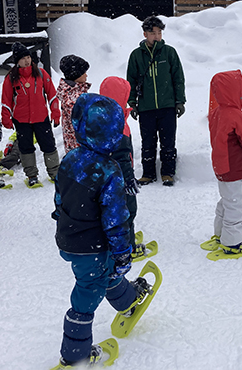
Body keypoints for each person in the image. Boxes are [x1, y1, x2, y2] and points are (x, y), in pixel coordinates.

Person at [53, 93, 151, 367]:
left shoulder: (70, 158)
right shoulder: (109, 170)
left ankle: (128, 300)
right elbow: (116, 219)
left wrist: (60, 215)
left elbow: (60, 195)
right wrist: (123, 252)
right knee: (88, 291)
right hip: (91, 245)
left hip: (70, 237)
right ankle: (75, 356)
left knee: (102, 275)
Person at [126, 16, 186, 187]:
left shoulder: (169, 52)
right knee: (148, 142)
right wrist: (133, 103)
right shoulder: (136, 55)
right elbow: (130, 81)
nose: (157, 36)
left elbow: (178, 78)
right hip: (146, 107)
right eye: (153, 33)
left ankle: (168, 173)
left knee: (168, 142)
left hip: (167, 106)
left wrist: (180, 101)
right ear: (145, 34)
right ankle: (148, 174)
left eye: (159, 32)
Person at [208, 70, 242, 255]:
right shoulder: (236, 115)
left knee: (226, 201)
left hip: (221, 167)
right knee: (237, 205)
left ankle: (221, 234)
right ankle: (233, 244)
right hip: (235, 167)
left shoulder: (216, 113)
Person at [1, 42, 61, 187]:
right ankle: (32, 174)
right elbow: (6, 100)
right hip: (21, 120)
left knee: (49, 145)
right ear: (17, 62)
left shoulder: (41, 74)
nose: (27, 60)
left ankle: (54, 172)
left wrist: (55, 112)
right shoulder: (11, 78)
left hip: (41, 117)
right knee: (26, 147)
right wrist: (5, 117)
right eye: (23, 58)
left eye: (28, 57)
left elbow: (52, 95)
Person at [99, 76, 144, 259]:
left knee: (111, 212)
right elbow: (122, 157)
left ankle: (114, 241)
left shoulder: (102, 118)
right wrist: (128, 179)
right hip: (119, 180)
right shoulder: (118, 126)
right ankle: (128, 247)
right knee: (126, 212)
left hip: (105, 178)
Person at [57, 54, 91, 153]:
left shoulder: (75, 91)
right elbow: (84, 122)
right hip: (79, 146)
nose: (86, 75)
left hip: (76, 145)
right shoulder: (73, 97)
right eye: (84, 72)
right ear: (75, 75)